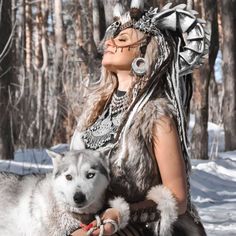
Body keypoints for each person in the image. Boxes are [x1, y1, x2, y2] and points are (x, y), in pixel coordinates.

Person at [70, 0, 210, 235]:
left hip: (144, 228)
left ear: (145, 54)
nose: (109, 42)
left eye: (122, 40)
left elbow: (178, 199)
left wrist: (120, 214)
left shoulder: (156, 117)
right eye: (112, 38)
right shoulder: (93, 112)